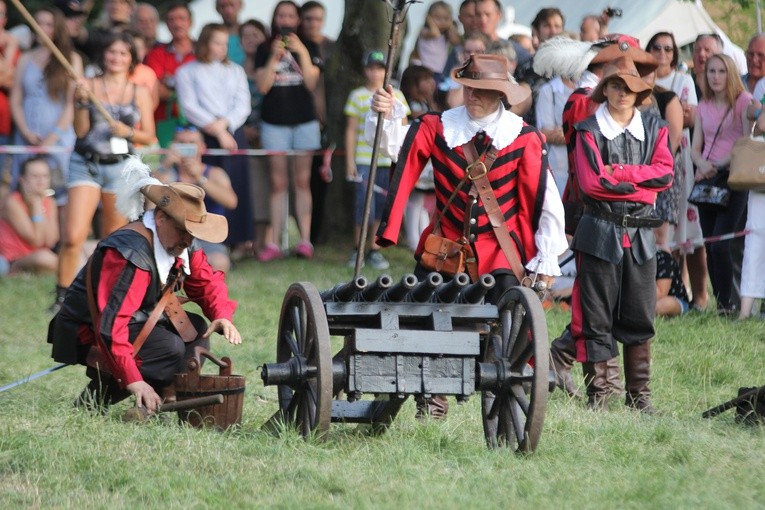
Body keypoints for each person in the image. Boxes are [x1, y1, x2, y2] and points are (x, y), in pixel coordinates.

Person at [369, 54, 567, 417]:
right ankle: (433, 394)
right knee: (424, 312)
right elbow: (396, 148)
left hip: (500, 252)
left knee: (511, 320)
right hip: (445, 249)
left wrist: (546, 257)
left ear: (501, 94)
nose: (473, 95)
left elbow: (545, 199)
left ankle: (500, 377)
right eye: (469, 87)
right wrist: (385, 114)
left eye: (483, 90)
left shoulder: (523, 138)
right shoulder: (437, 126)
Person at [50, 160, 242, 413]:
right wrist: (134, 380)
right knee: (168, 348)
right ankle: (94, 402)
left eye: (192, 233)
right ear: (161, 218)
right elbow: (111, 325)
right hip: (88, 329)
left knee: (195, 331)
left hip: (136, 320)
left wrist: (222, 315)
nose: (187, 240)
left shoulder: (182, 244)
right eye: (183, 230)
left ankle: (171, 400)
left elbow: (207, 281)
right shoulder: (131, 254)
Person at [569, 56, 674, 413]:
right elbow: (591, 184)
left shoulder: (656, 127)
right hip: (599, 232)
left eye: (631, 87)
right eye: (616, 85)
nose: (623, 93)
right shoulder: (587, 130)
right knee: (595, 316)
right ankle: (600, 395)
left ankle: (639, 397)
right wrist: (641, 185)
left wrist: (623, 173)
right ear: (606, 89)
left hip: (641, 237)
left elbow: (665, 177)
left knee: (640, 314)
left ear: (641, 91)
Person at [52, 31, 157, 314]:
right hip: (85, 163)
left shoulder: (140, 92)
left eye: (123, 53)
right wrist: (82, 103)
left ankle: (104, 296)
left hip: (121, 167)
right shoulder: (87, 85)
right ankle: (62, 297)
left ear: (132, 59)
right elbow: (80, 130)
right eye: (112, 52)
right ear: (103, 55)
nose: (116, 58)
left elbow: (149, 135)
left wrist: (129, 131)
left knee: (112, 240)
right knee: (73, 235)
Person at [175, 23, 253, 255]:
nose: (221, 48)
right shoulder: (187, 71)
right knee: (205, 184)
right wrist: (217, 130)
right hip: (204, 134)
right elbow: (189, 106)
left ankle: (238, 240)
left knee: (235, 184)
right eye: (216, 42)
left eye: (224, 43)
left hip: (233, 132)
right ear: (205, 43)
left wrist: (226, 124)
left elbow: (243, 104)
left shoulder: (235, 71)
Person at [254, 0, 321, 261]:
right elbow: (262, 87)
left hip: (305, 121)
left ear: (298, 20)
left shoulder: (310, 45)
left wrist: (301, 52)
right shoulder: (264, 48)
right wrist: (273, 56)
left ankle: (305, 241)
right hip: (273, 123)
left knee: (302, 181)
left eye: (291, 16)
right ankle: (274, 243)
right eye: (281, 15)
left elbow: (313, 83)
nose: (285, 20)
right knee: (278, 183)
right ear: (275, 18)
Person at [691, 53, 755, 316]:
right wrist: (702, 164)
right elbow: (696, 147)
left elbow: (744, 140)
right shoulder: (703, 105)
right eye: (711, 72)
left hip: (733, 179)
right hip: (706, 180)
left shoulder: (742, 101)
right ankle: (721, 305)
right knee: (709, 244)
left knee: (722, 243)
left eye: (720, 72)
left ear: (730, 74)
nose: (715, 77)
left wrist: (715, 164)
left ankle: (729, 302)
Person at [344, 50, 409, 270]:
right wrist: (350, 161)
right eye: (371, 68)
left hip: (387, 161)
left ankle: (374, 249)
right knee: (364, 207)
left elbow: (403, 126)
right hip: (364, 160)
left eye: (380, 68)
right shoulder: (357, 95)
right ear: (365, 70)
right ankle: (358, 248)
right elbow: (351, 130)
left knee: (382, 208)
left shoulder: (397, 96)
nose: (375, 73)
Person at [10, 6, 82, 203]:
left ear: (57, 28)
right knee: (26, 192)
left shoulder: (71, 59)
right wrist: (26, 131)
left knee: (60, 194)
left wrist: (53, 137)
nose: (42, 28)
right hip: (28, 137)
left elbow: (70, 105)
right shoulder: (25, 58)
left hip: (59, 139)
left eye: (48, 24)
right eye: (39, 23)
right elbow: (16, 99)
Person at [155, 126, 238, 272]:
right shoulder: (166, 174)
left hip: (207, 238)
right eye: (181, 143)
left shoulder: (215, 173)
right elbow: (149, 201)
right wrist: (165, 165)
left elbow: (231, 202)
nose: (186, 147)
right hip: (173, 237)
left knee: (219, 262)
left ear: (202, 147)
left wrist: (199, 178)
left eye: (191, 143)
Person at [144, 2, 196, 148]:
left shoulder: (202, 53)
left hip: (198, 125)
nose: (177, 23)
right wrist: (191, 90)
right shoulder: (156, 54)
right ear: (166, 23)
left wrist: (171, 84)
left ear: (190, 22)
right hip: (165, 124)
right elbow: (157, 91)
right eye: (172, 19)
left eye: (181, 18)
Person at [0, 156, 58, 275]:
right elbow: (36, 241)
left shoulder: (50, 201)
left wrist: (41, 206)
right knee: (45, 258)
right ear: (23, 180)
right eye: (35, 176)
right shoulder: (12, 202)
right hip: (13, 260)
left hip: (39, 255)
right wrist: (36, 204)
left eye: (45, 176)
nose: (41, 181)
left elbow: (51, 240)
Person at [739, 107, 765, 319]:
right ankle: (746, 311)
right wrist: (758, 112)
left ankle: (749, 311)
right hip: (759, 184)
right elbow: (761, 124)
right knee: (753, 244)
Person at [411, 1, 461, 80]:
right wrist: (429, 21)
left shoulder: (446, 35)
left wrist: (450, 24)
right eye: (438, 18)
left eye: (445, 18)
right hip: (424, 69)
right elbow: (435, 33)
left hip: (438, 71)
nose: (442, 21)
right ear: (429, 17)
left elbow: (457, 41)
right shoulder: (425, 31)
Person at [655, 249, 690, 318]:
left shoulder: (664, 258)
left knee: (666, 304)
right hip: (641, 300)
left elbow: (660, 294)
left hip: (674, 299)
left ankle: (640, 312)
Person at [216, 0, 245, 66]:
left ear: (240, 5)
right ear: (217, 9)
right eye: (223, 6)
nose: (228, 11)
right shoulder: (211, 37)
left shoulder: (253, 32)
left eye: (232, 5)